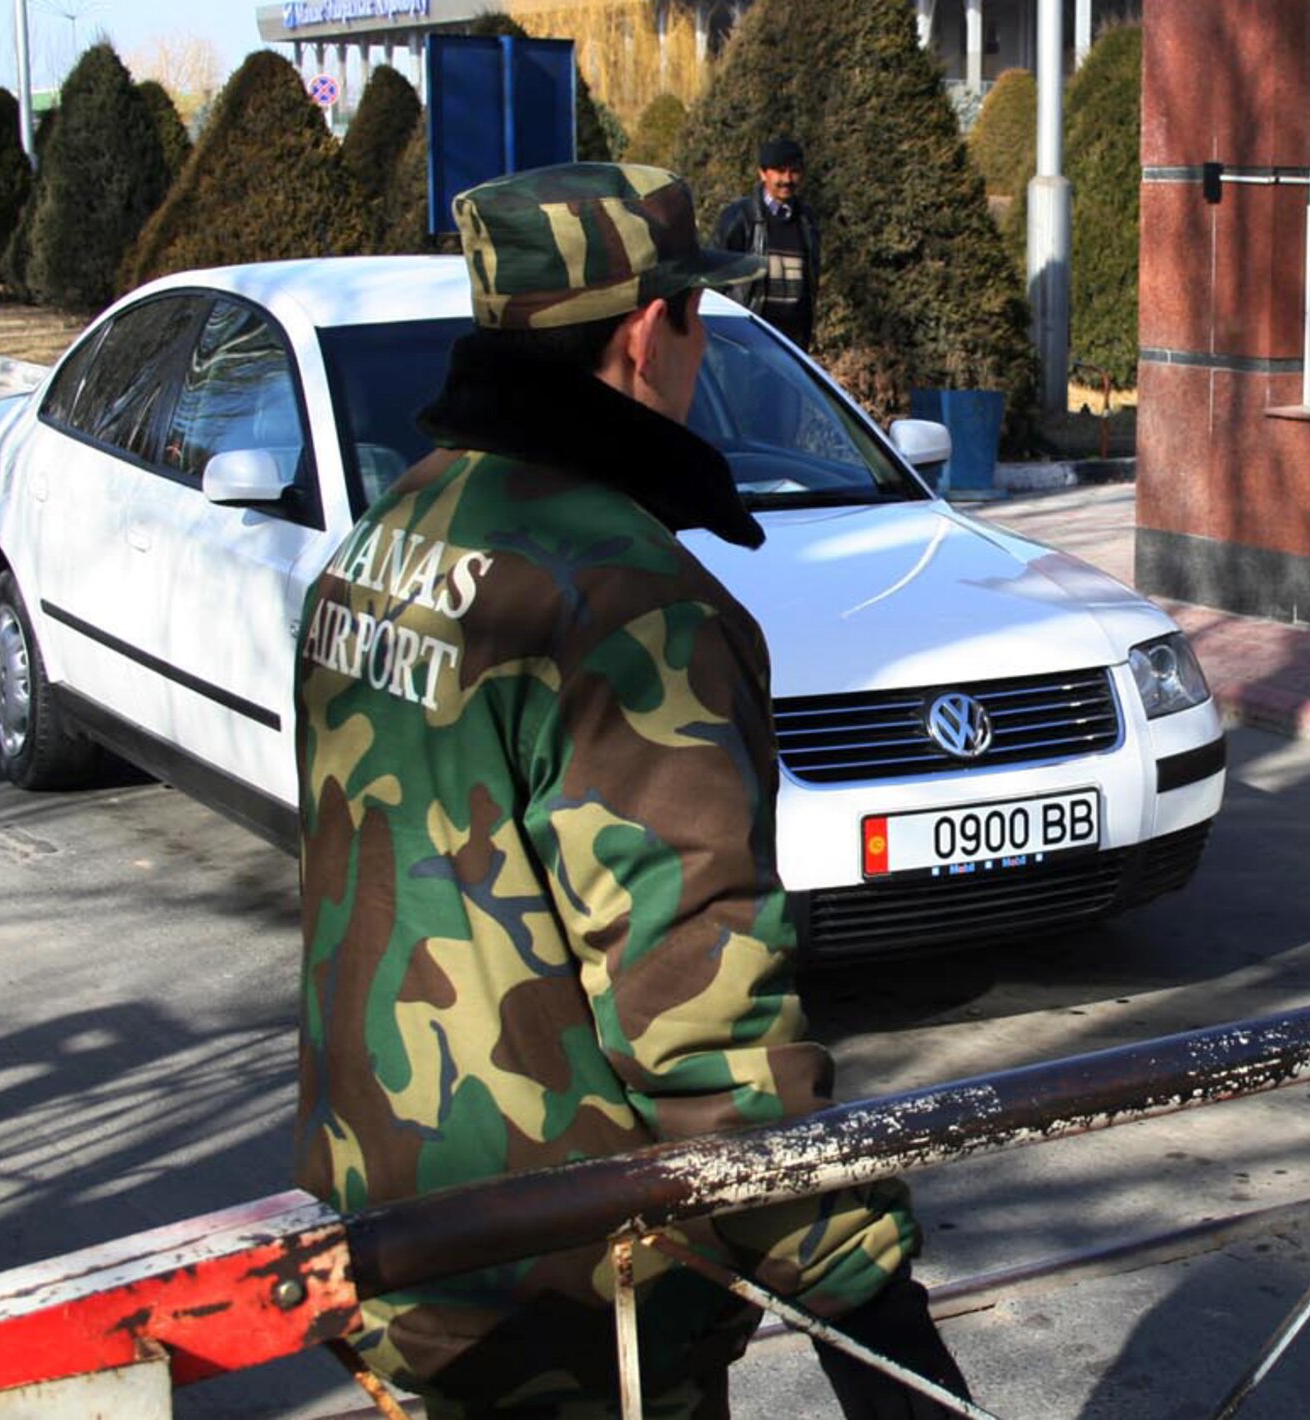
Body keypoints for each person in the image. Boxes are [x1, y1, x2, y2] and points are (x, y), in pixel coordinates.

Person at [293, 162, 968, 1418]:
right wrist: (870, 1308)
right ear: (650, 328)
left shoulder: (392, 535)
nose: (701, 352)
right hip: (570, 1285)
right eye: (697, 319)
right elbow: (702, 1029)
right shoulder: (621, 602)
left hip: (394, 1228)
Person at [712, 136, 820, 351]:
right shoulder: (740, 218)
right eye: (780, 171)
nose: (787, 179)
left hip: (791, 344)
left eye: (794, 171)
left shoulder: (807, 220)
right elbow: (716, 279)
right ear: (763, 173)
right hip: (746, 338)